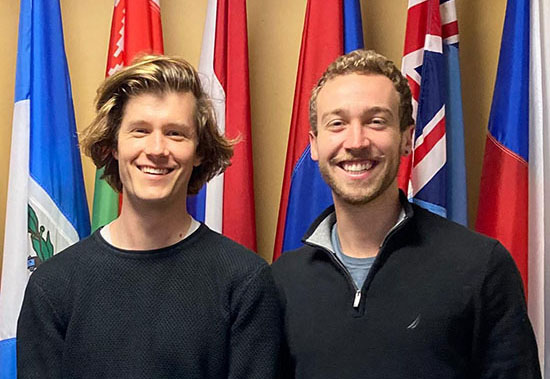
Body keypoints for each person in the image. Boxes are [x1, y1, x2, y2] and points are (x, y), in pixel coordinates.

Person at [271, 49, 541, 378]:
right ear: (314, 144)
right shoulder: (282, 281)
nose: (356, 141)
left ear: (407, 138)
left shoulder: (481, 267)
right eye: (338, 124)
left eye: (376, 121)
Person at [17, 55, 282, 378]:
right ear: (113, 145)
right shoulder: (53, 286)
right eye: (140, 131)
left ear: (199, 150)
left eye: (175, 133)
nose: (156, 149)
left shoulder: (244, 282)